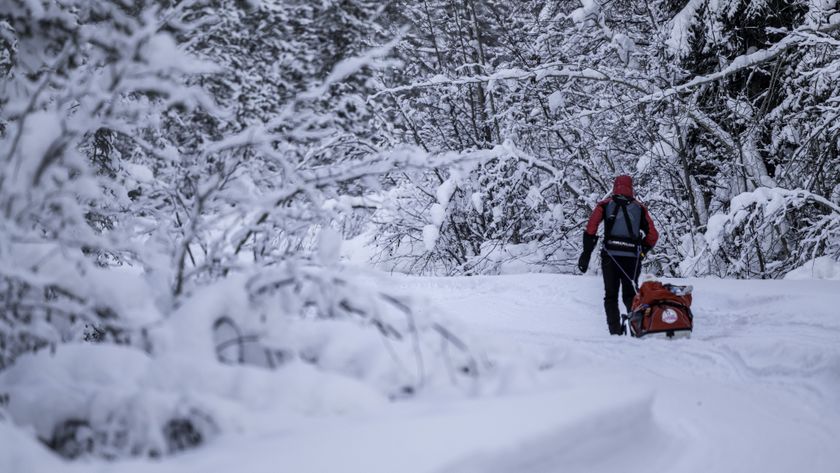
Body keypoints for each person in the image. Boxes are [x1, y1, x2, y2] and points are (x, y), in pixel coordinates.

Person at [577, 175, 658, 335]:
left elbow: (591, 227)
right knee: (630, 295)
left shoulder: (605, 205)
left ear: (615, 187)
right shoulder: (639, 208)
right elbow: (653, 235)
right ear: (631, 188)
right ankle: (636, 330)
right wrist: (642, 251)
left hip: (610, 258)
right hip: (632, 259)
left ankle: (615, 333)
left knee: (611, 295)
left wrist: (586, 254)